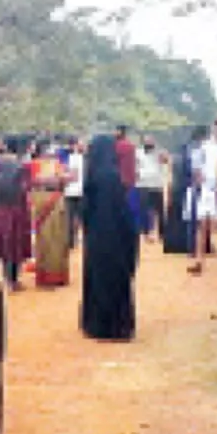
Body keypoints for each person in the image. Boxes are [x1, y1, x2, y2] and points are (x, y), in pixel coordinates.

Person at [80, 135, 139, 341]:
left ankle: (96, 324)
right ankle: (117, 327)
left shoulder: (92, 175)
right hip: (114, 236)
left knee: (97, 280)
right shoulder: (112, 176)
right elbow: (122, 212)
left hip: (96, 237)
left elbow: (84, 211)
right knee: (115, 279)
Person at [0, 141, 31, 292]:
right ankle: (11, 280)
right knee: (14, 245)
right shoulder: (22, 166)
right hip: (17, 209)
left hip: (0, 208)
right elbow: (25, 188)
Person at [29, 141, 71, 288]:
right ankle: (46, 277)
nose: (51, 151)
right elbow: (32, 181)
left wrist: (61, 179)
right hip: (42, 199)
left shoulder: (57, 163)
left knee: (59, 237)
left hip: (57, 199)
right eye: (48, 148)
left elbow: (65, 179)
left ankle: (59, 275)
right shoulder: (33, 164)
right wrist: (51, 180)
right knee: (45, 239)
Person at [189, 121, 217, 275]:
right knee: (202, 224)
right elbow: (196, 166)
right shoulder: (204, 146)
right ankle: (199, 260)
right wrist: (201, 182)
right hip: (208, 189)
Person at [135, 139, 165, 241]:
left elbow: (165, 160)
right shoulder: (138, 153)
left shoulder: (158, 153)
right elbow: (134, 165)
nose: (149, 146)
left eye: (151, 144)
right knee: (144, 210)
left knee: (159, 211)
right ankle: (145, 233)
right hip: (143, 185)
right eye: (148, 143)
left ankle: (162, 234)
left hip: (157, 185)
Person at [65, 138, 86, 249]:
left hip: (72, 191)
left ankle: (72, 240)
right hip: (75, 191)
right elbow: (74, 175)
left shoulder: (70, 158)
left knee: (72, 217)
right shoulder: (76, 158)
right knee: (75, 217)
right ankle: (73, 239)